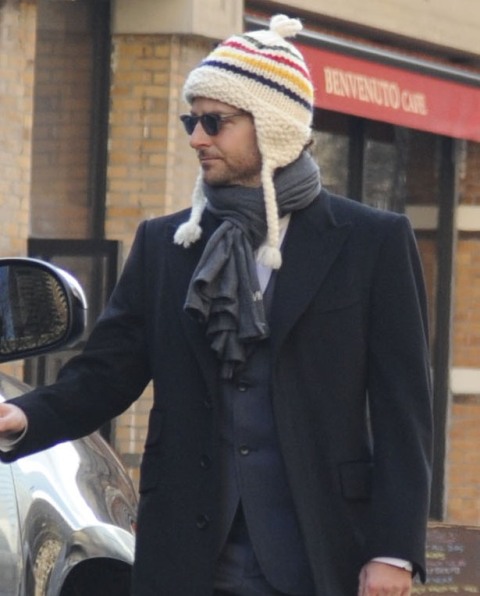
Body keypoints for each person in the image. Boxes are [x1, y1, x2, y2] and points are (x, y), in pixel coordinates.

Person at [0, 14, 432, 596]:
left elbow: (404, 411)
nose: (196, 137)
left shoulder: (371, 241)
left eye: (214, 121)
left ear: (274, 126)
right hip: (189, 557)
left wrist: (392, 552)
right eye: (191, 120)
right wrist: (25, 417)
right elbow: (106, 374)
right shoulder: (165, 244)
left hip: (320, 551)